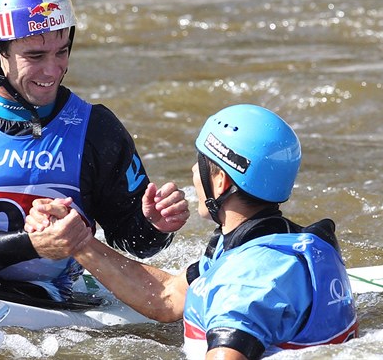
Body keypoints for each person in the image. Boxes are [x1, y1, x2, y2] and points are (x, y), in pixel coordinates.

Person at [0, 0, 189, 302]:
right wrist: (33, 244)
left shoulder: (97, 129)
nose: (52, 71)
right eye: (35, 56)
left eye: (61, 52)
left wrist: (153, 226)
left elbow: (135, 245)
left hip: (49, 299)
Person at [25, 104, 359, 359]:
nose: (192, 173)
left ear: (221, 181)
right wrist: (81, 242)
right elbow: (168, 298)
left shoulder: (244, 283)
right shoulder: (271, 244)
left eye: (200, 164)